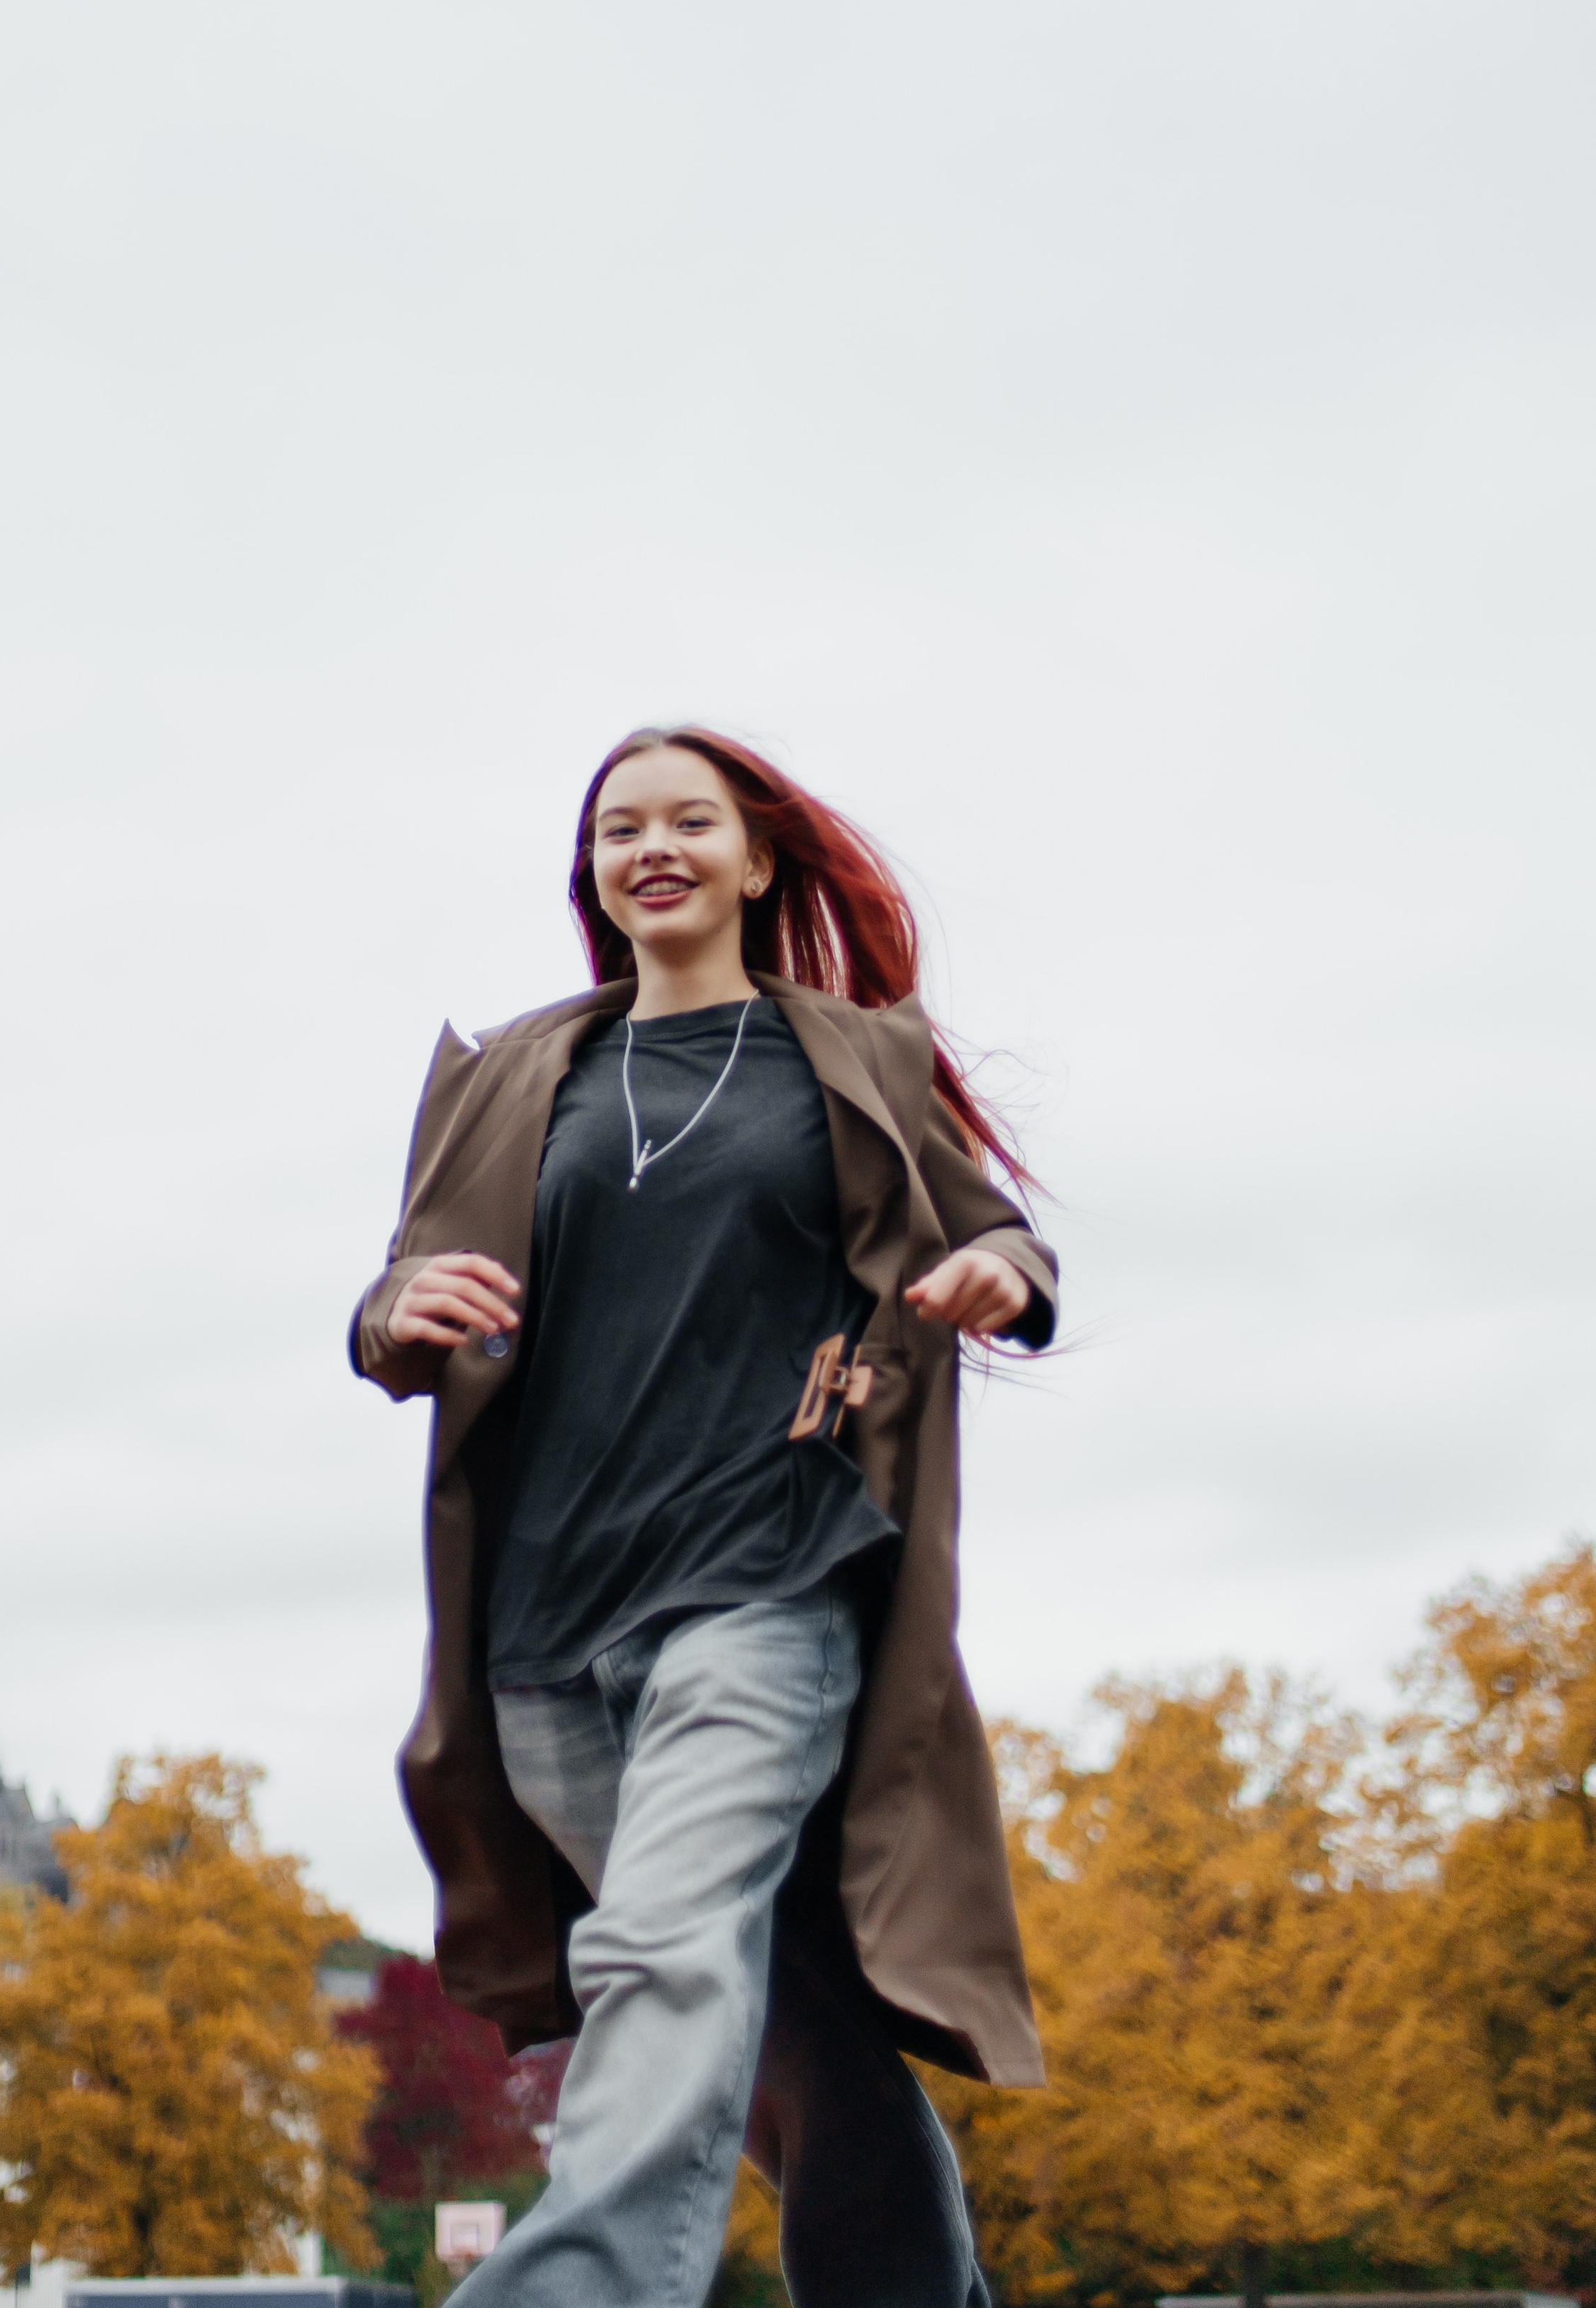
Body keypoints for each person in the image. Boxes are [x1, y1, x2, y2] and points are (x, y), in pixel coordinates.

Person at [349, 727, 1058, 2307]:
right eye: (618, 828)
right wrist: (396, 1304)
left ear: (754, 861)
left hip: (764, 1586)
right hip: (542, 1634)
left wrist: (1003, 1276)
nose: (650, 845)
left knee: (660, 1958)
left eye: (690, 820)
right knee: (790, 2034)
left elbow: (990, 1229)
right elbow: (395, 1306)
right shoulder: (523, 1075)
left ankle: (569, 2290)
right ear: (592, 875)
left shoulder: (843, 1058)